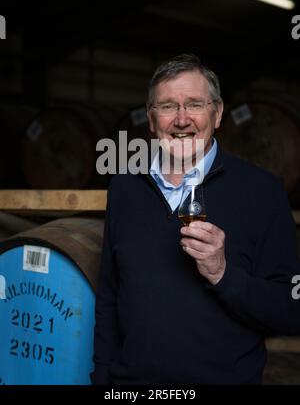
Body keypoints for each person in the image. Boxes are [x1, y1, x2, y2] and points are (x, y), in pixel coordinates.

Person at [92, 53, 300, 385]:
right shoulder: (124, 188)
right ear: (150, 118)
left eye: (195, 105)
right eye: (168, 106)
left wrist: (222, 274)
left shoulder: (262, 192)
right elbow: (109, 299)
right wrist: (102, 381)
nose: (182, 119)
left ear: (217, 114)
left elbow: (290, 312)